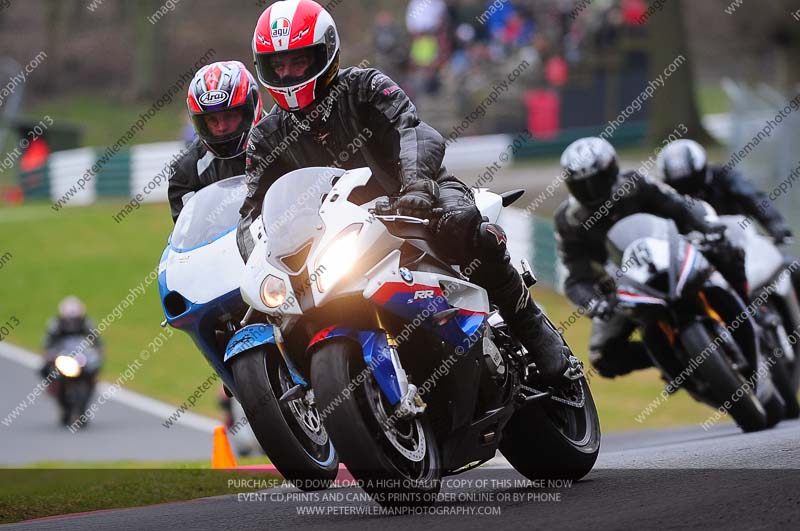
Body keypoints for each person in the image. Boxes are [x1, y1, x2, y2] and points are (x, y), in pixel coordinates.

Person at [237, 0, 579, 385]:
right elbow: (253, 213)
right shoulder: (266, 137)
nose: (287, 74)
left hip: (414, 199)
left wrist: (415, 184)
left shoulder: (365, 87)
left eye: (297, 62)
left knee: (463, 225)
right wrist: (262, 260)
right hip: (335, 239)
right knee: (285, 312)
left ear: (325, 55)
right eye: (277, 66)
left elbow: (413, 131)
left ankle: (530, 324)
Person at [555, 137, 745, 378]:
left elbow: (680, 205)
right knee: (603, 357)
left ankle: (751, 307)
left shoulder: (635, 183)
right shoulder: (569, 221)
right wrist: (594, 304)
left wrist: (708, 227)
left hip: (671, 255)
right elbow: (575, 278)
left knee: (726, 251)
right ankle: (674, 359)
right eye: (583, 185)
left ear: (612, 171)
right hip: (624, 288)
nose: (592, 191)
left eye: (597, 181)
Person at [656, 139, 798, 293]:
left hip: (743, 244)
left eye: (690, 182)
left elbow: (752, 196)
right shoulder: (666, 197)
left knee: (791, 268)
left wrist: (774, 223)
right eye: (679, 185)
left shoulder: (724, 177)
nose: (686, 189)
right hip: (696, 260)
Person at [167, 61, 265, 222]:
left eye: (229, 116)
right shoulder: (186, 170)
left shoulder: (282, 139)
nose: (221, 127)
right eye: (212, 120)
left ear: (249, 109)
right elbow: (189, 236)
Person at [42, 296, 102, 374]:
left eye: (76, 319)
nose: (72, 323)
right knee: (47, 370)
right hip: (62, 355)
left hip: (81, 358)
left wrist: (97, 354)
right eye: (69, 320)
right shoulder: (55, 325)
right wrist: (49, 355)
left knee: (93, 369)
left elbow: (97, 342)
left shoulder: (87, 324)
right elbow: (47, 343)